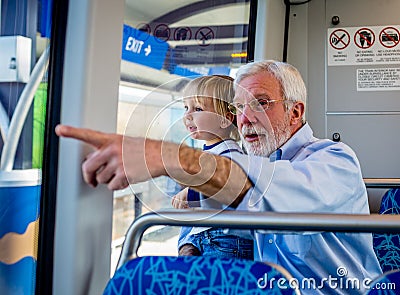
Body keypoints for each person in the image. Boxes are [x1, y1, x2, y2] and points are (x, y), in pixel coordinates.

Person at [56, 60, 382, 294]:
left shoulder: (335, 161)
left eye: (261, 103)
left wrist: (163, 157)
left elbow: (264, 189)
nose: (246, 118)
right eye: (239, 107)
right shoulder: (249, 165)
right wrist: (189, 249)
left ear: (295, 112)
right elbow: (217, 219)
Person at [171, 75, 254, 259]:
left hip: (226, 240)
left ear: (224, 119)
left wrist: (191, 193)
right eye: (186, 108)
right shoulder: (209, 152)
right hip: (208, 235)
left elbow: (229, 185)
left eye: (198, 109)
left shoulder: (230, 153)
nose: (187, 116)